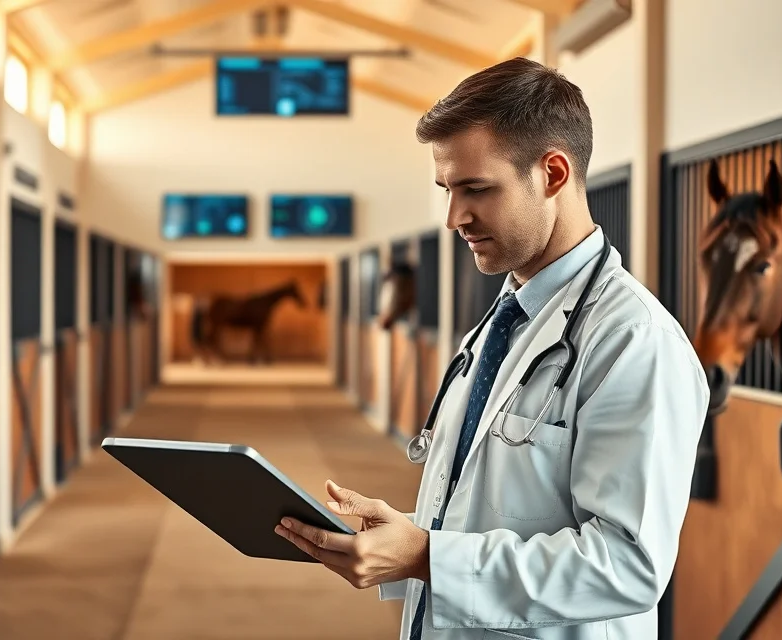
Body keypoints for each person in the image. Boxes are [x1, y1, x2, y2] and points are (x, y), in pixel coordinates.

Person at [273, 57, 709, 639]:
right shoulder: (504, 322)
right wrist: (400, 537)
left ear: (553, 174)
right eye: (447, 190)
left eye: (476, 188)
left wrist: (429, 556)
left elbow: (627, 566)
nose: (455, 217)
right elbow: (490, 512)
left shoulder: (634, 342)